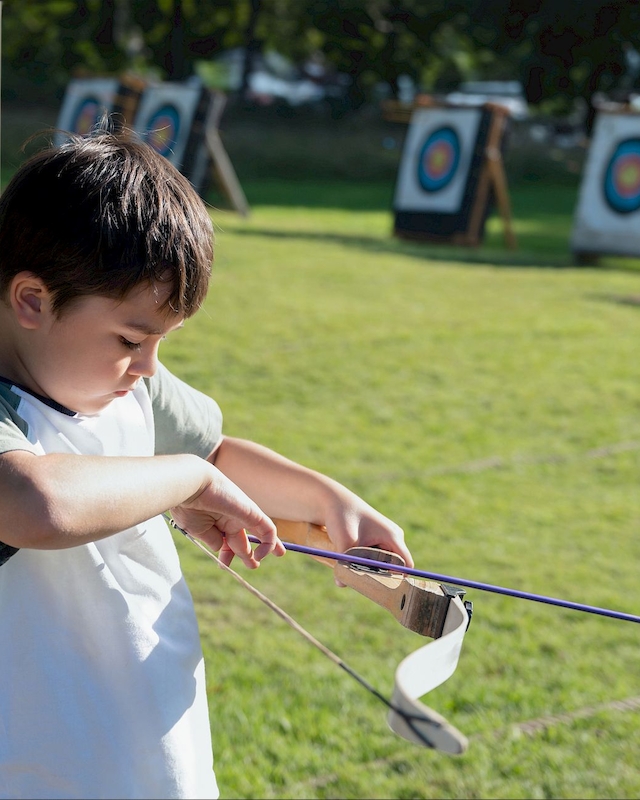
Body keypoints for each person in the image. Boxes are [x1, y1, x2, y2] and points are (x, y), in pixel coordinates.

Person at [0, 125, 413, 800]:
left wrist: (330, 503)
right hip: (33, 767)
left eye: (162, 341)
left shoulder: (123, 383)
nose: (151, 368)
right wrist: (188, 482)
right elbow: (33, 505)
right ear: (32, 301)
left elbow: (215, 453)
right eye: (133, 338)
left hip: (154, 753)